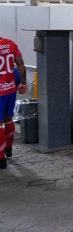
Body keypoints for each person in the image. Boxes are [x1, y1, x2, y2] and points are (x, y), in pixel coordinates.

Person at [0, 37, 27, 169]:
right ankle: (9, 149)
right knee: (8, 120)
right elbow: (21, 64)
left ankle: (1, 159)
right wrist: (23, 82)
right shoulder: (10, 44)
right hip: (10, 89)